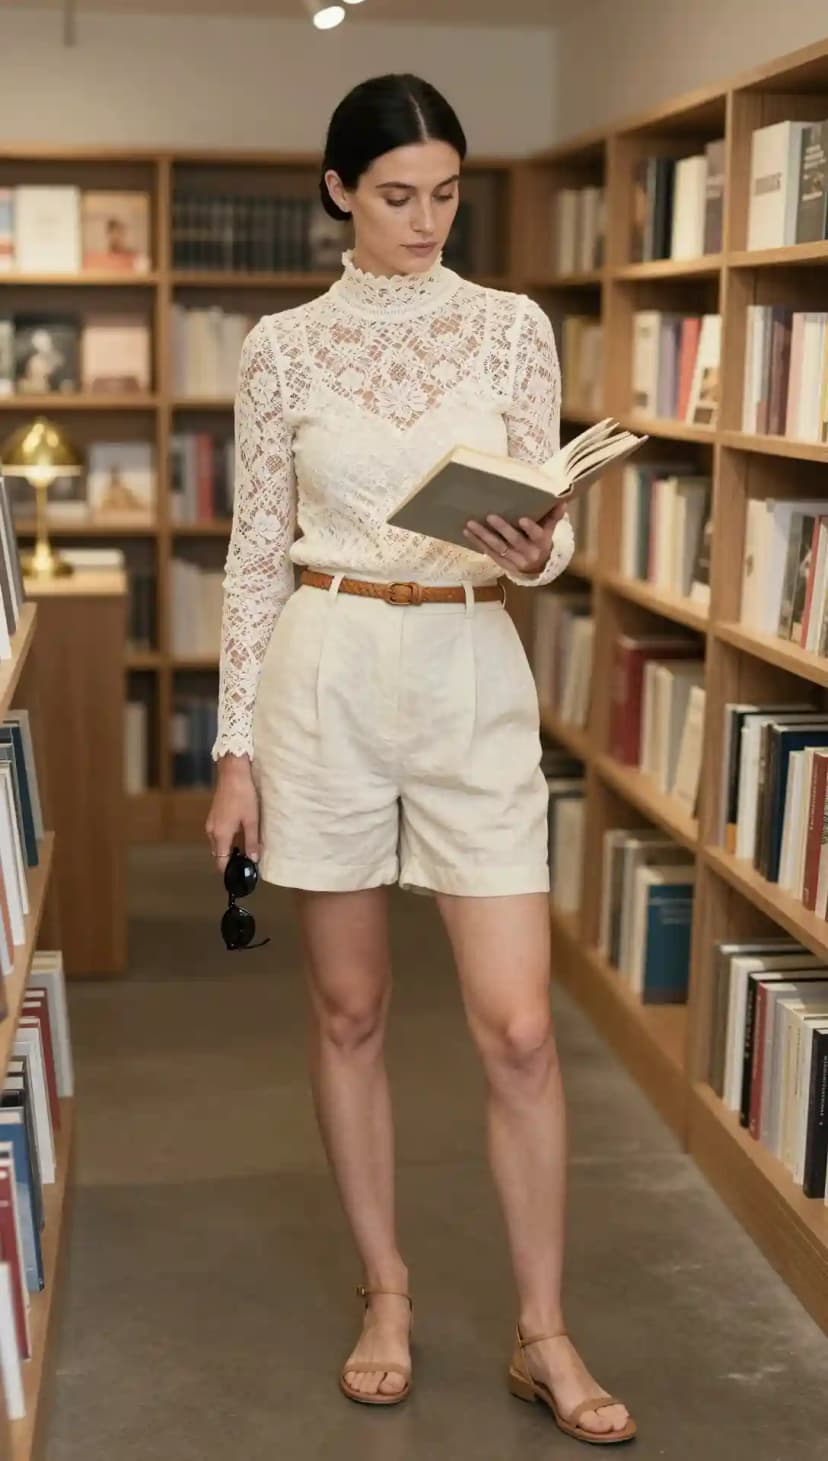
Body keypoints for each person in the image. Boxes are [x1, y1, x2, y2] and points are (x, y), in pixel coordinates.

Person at [206, 73, 635, 1445]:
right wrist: (231, 751)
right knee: (350, 1011)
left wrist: (541, 544)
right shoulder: (281, 348)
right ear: (339, 190)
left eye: (446, 194)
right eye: (398, 196)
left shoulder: (511, 327)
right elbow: (252, 556)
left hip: (468, 664)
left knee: (517, 1023)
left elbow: (545, 512)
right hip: (323, 674)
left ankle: (543, 1329)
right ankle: (385, 1291)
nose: (426, 220)